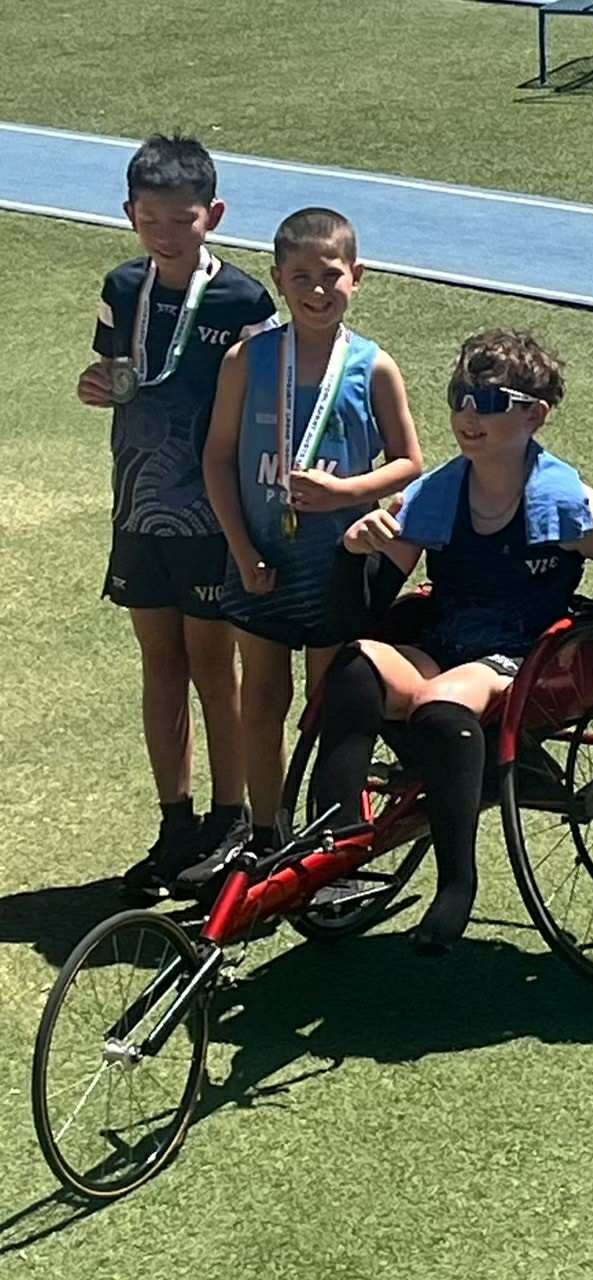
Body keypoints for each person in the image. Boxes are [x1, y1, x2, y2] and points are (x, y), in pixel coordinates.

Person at [302, 329, 593, 953]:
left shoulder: (570, 502)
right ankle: (341, 843)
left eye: (489, 401)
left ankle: (456, 883)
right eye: (460, 396)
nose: (467, 414)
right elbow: (360, 612)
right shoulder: (433, 493)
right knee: (354, 667)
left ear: (534, 414)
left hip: (524, 655)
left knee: (441, 704)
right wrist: (354, 552)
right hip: (446, 640)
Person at [174, 207, 422, 896]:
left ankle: (333, 835)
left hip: (337, 565)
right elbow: (218, 460)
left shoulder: (373, 367)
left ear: (359, 276)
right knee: (263, 698)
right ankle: (265, 834)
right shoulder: (248, 361)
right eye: (303, 278)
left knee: (332, 702)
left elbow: (409, 463)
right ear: (280, 280)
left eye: (332, 276)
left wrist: (347, 491)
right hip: (258, 559)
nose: (318, 291)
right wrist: (240, 548)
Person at [76, 132, 280, 902]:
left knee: (211, 667)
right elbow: (111, 371)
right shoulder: (121, 286)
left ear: (213, 215)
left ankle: (231, 817)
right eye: (151, 219)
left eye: (182, 219)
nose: (165, 233)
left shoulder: (244, 301)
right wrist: (96, 384)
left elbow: (265, 402)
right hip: (137, 509)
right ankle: (176, 820)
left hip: (212, 515)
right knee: (158, 666)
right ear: (130, 214)